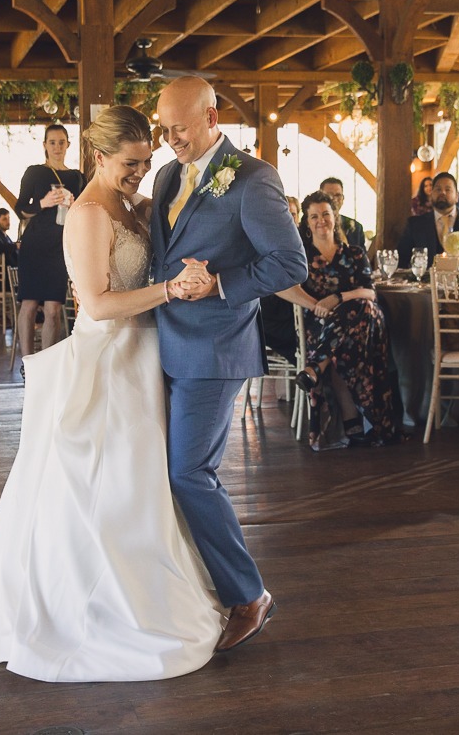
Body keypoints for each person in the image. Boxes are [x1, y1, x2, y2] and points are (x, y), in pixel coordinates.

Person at [0, 106, 226, 681]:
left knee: (143, 485)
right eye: (131, 163)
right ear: (99, 157)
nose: (141, 172)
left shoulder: (134, 204)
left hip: (145, 360)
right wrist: (170, 290)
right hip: (110, 361)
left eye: (147, 161)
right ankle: (101, 601)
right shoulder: (87, 213)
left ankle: (148, 586)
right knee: (105, 488)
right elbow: (98, 303)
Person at [151, 77, 307, 653]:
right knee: (162, 471)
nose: (170, 140)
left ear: (212, 116)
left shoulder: (254, 178)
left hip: (215, 349)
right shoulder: (167, 175)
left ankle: (249, 595)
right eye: (163, 129)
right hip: (160, 344)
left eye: (180, 128)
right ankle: (192, 588)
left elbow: (290, 264)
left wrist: (221, 284)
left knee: (189, 473)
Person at [278, 191, 400, 448]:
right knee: (346, 336)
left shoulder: (354, 253)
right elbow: (280, 287)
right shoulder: (302, 257)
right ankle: (354, 420)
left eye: (325, 214)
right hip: (323, 326)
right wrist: (316, 305)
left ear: (335, 218)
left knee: (362, 308)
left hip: (365, 323)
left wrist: (338, 297)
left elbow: (370, 292)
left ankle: (315, 368)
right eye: (314, 216)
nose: (321, 220)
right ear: (307, 223)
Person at [14, 123, 85, 363]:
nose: (57, 147)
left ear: (68, 145)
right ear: (44, 145)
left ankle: (46, 364)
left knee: (54, 309)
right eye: (52, 142)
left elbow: (85, 213)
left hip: (60, 248)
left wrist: (74, 205)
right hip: (34, 246)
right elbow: (21, 208)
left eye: (61, 142)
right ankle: (27, 363)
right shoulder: (34, 172)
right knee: (30, 304)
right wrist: (42, 203)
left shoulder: (77, 177)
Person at [398, 171, 459, 268]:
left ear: (457, 196)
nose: (442, 193)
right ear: (431, 195)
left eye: (448, 189)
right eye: (438, 189)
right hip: (427, 281)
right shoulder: (416, 224)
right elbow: (401, 260)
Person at [318, 177, 365, 252]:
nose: (334, 199)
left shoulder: (356, 228)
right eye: (329, 195)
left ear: (343, 199)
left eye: (338, 195)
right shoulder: (312, 225)